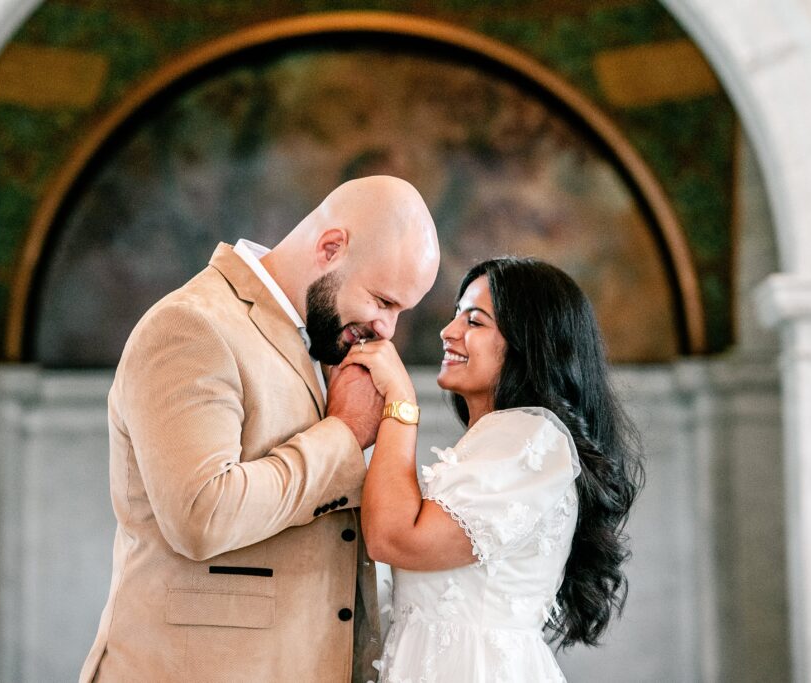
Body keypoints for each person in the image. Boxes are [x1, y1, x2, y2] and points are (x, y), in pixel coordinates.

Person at [79, 176, 440, 682]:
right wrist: (342, 435)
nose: (388, 331)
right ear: (331, 248)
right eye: (383, 301)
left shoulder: (329, 341)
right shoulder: (193, 325)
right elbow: (201, 514)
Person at [341, 257, 643, 682]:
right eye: (456, 316)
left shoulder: (531, 439)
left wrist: (400, 402)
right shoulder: (498, 440)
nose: (449, 332)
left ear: (528, 342)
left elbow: (394, 537)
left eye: (475, 321)